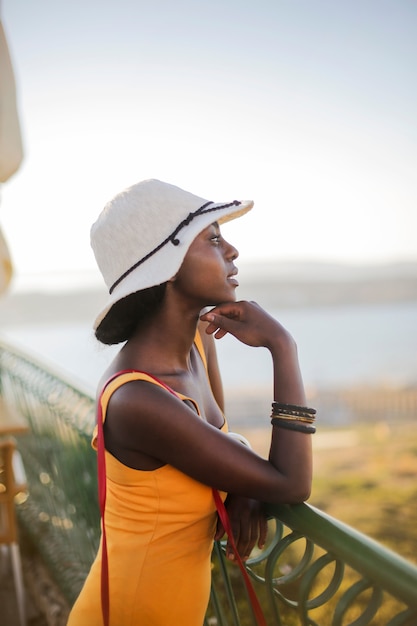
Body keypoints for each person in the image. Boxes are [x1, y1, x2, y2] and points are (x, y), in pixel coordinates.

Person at [67, 179, 313, 626]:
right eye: (214, 239)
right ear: (169, 265)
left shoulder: (199, 344)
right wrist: (283, 345)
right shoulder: (139, 400)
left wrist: (241, 470)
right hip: (130, 611)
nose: (233, 251)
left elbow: (212, 442)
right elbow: (291, 483)